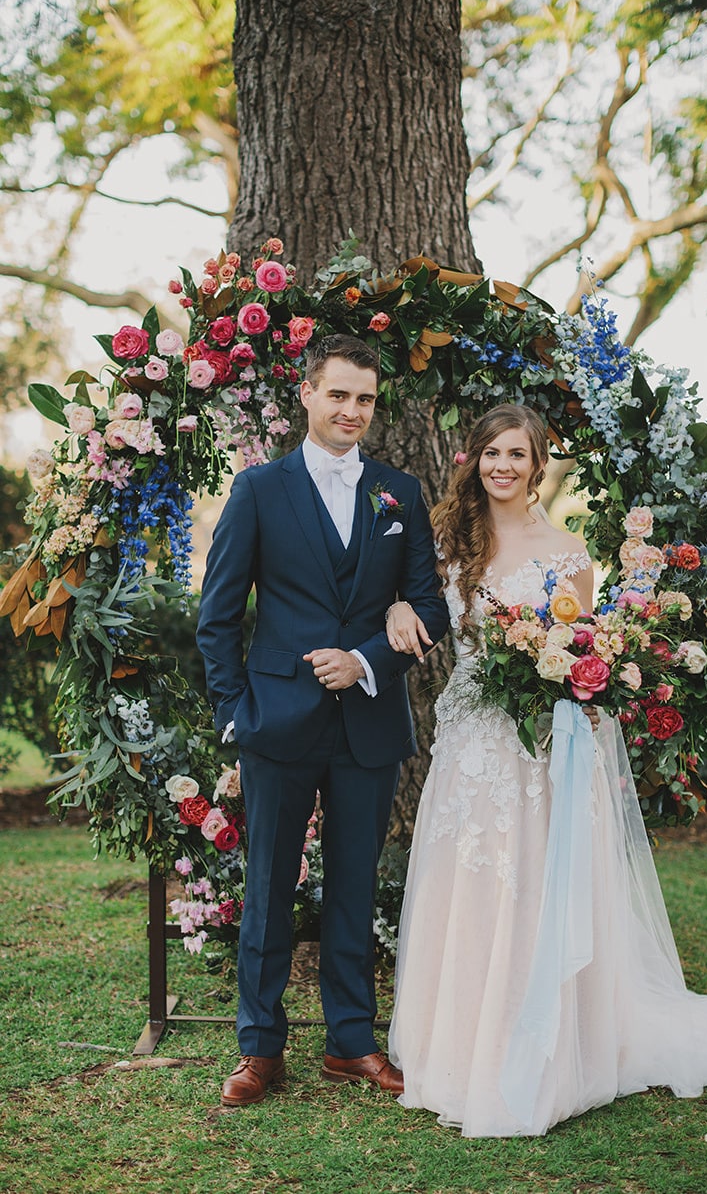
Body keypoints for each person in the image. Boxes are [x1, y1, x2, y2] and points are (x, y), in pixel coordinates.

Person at [386, 403, 707, 1138]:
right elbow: (407, 599)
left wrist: (559, 680)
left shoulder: (568, 553)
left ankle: (547, 1047)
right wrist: (399, 600)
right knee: (470, 879)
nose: (502, 466)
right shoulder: (444, 541)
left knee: (533, 882)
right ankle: (453, 1047)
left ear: (539, 464)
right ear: (472, 459)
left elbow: (584, 651)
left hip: (538, 746)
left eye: (517, 454)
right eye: (491, 452)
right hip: (467, 741)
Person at [196, 333, 449, 1107]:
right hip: (277, 721)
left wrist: (368, 658)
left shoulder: (399, 493)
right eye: (338, 394)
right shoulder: (259, 491)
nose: (351, 411)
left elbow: (429, 606)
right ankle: (260, 1048)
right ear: (306, 395)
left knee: (354, 885)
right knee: (268, 888)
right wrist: (237, 715)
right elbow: (216, 617)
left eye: (365, 399)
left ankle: (350, 1043)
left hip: (368, 723)